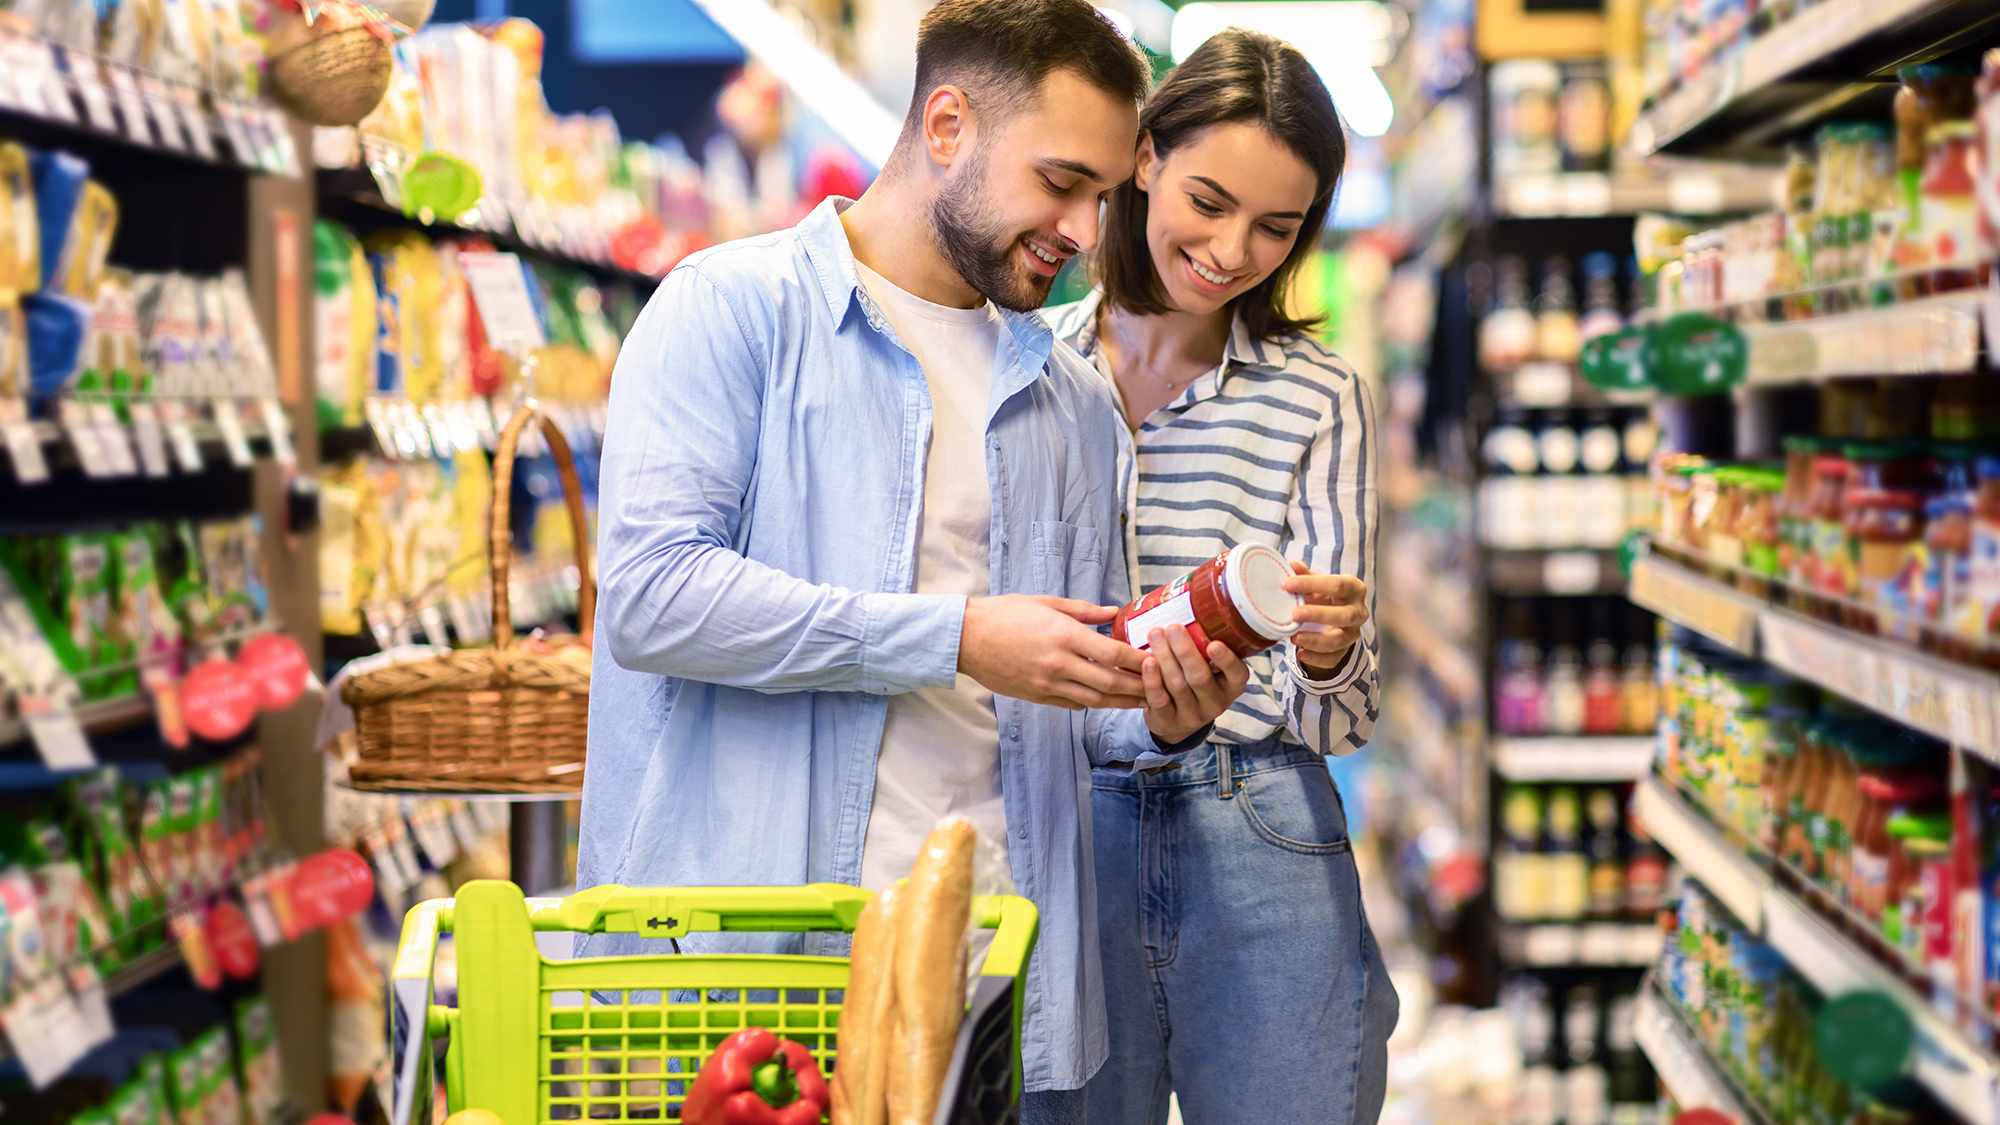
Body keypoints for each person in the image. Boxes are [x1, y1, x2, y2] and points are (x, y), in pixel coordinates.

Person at [576, 2, 1252, 1119]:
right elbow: (653, 598)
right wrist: (955, 636)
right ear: (946, 126)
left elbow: (1067, 708)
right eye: (1059, 183)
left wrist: (1163, 707)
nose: (1084, 232)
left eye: (1103, 198)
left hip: (987, 983)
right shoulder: (731, 311)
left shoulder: (1070, 403)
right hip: (747, 980)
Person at [1043, 29, 1399, 1125]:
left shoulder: (1318, 394)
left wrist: (1331, 654)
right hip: (1064, 827)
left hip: (1260, 830)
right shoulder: (1028, 367)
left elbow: (1343, 727)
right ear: (1143, 156)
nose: (1230, 248)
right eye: (1207, 198)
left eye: (1275, 227)